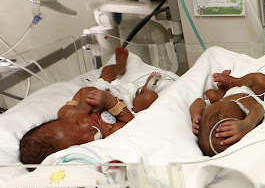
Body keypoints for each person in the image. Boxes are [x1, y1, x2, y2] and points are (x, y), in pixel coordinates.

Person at [19, 47, 160, 164]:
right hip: (127, 102)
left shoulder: (66, 112)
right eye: (85, 136)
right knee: (149, 98)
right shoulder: (108, 135)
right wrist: (111, 103)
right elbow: (129, 123)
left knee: (107, 71)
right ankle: (145, 89)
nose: (86, 125)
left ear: (61, 119)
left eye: (76, 121)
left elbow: (84, 91)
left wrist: (83, 107)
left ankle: (119, 66)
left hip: (106, 88)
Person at [190, 70, 265, 156]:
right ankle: (229, 84)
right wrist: (248, 123)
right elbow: (258, 107)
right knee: (261, 81)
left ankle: (234, 82)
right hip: (250, 92)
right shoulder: (247, 117)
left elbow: (199, 101)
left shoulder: (208, 118)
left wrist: (196, 115)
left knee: (210, 94)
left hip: (224, 97)